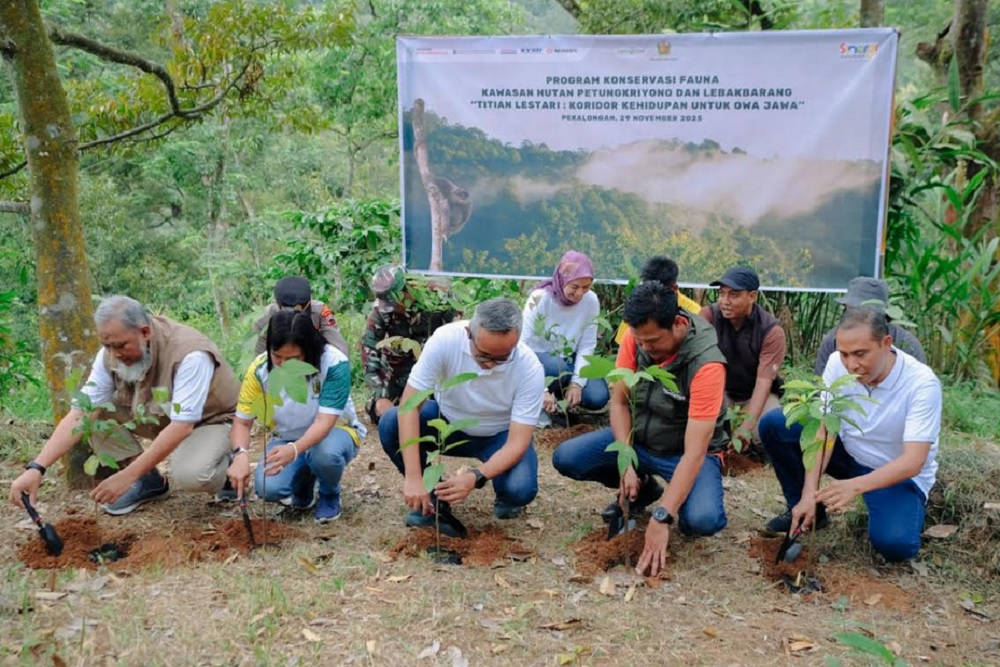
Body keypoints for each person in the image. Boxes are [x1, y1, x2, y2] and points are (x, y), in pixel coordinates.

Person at [553, 282, 728, 577]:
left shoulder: (706, 365)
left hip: (684, 453)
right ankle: (644, 487)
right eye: (640, 341)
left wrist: (662, 516)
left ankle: (672, 500)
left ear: (678, 323)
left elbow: (696, 450)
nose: (645, 348)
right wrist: (625, 463)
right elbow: (619, 403)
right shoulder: (638, 337)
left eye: (653, 341)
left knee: (702, 520)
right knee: (567, 457)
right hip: (641, 441)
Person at [9, 295, 240, 516]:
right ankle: (148, 480)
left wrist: (125, 477)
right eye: (107, 346)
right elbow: (80, 413)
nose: (114, 354)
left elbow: (182, 426)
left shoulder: (190, 353)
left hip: (210, 420)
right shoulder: (110, 353)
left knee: (192, 475)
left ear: (145, 332)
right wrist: (36, 468)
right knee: (95, 413)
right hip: (163, 415)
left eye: (120, 346)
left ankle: (229, 469)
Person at [760, 308, 941, 562]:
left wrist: (854, 487)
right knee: (776, 424)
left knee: (895, 545)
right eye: (844, 353)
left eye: (860, 354)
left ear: (886, 343)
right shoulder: (837, 364)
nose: (851, 364)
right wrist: (808, 493)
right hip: (850, 455)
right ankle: (808, 512)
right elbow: (825, 430)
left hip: (895, 473)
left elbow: (914, 461)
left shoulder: (921, 384)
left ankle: (899, 508)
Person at [378, 297, 544, 535]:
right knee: (391, 422)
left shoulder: (529, 368)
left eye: (502, 357)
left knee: (520, 489)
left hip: (499, 435)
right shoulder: (445, 341)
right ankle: (434, 500)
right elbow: (409, 407)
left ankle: (506, 497)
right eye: (484, 355)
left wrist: (476, 477)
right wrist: (415, 477)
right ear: (469, 333)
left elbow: (518, 441)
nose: (491, 365)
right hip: (448, 424)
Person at [227, 310, 364, 523]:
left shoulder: (334, 363)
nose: (282, 364)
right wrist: (241, 455)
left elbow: (324, 422)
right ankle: (304, 484)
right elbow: (242, 423)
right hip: (286, 438)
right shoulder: (259, 369)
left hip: (335, 433)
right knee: (266, 487)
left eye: (292, 358)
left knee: (325, 454)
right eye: (277, 356)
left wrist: (294, 449)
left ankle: (329, 493)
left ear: (308, 351)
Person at [361, 264, 460, 426]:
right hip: (400, 374)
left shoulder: (439, 301)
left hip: (437, 373)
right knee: (385, 415)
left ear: (412, 287)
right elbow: (370, 355)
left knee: (437, 414)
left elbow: (457, 341)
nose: (396, 308)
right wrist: (380, 397)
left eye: (397, 301)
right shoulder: (381, 312)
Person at [699, 266, 786, 449]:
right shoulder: (707, 317)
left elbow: (764, 382)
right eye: (721, 294)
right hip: (720, 392)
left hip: (755, 395)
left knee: (770, 428)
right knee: (708, 431)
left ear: (752, 296)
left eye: (733, 295)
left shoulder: (771, 331)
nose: (725, 301)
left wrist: (746, 427)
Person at [520, 251, 608, 425]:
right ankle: (538, 400)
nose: (580, 293)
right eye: (575, 286)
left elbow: (587, 345)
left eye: (586, 287)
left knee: (598, 396)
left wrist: (577, 383)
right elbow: (522, 344)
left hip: (569, 358)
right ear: (562, 280)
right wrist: (541, 389)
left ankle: (562, 399)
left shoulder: (591, 301)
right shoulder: (540, 299)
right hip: (539, 359)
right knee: (556, 365)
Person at [814, 276, 926, 375]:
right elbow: (820, 388)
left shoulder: (907, 344)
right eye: (852, 310)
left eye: (863, 311)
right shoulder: (833, 340)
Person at [614, 256, 701, 346]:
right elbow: (624, 347)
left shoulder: (694, 312)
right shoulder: (637, 310)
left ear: (674, 288)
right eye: (648, 290)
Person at [253, 276, 349, 356]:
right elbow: (260, 355)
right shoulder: (267, 317)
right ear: (278, 304)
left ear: (308, 303)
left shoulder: (319, 312)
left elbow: (339, 349)